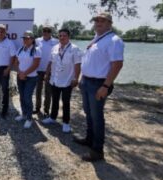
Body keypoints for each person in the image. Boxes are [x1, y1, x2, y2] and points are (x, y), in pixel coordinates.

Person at [74, 11, 125, 162]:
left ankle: (97, 150)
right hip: (87, 82)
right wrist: (82, 78)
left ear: (110, 23)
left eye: (102, 20)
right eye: (96, 20)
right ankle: (89, 139)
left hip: (99, 83)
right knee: (89, 114)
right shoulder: (97, 38)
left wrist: (105, 86)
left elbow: (117, 65)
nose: (98, 23)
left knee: (97, 117)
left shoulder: (114, 40)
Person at [42, 28, 82, 133]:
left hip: (67, 81)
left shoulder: (75, 49)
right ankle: (52, 118)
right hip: (54, 79)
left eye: (64, 35)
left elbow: (78, 65)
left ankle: (66, 123)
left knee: (66, 102)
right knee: (54, 100)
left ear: (68, 37)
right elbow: (50, 62)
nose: (62, 37)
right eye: (60, 36)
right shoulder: (54, 48)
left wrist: (76, 78)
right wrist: (47, 74)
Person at [13, 31, 42, 129]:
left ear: (32, 39)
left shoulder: (36, 50)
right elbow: (16, 62)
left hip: (31, 78)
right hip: (20, 76)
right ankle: (24, 114)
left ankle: (29, 118)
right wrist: (20, 72)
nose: (25, 39)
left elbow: (36, 65)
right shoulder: (20, 49)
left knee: (27, 97)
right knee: (21, 96)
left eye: (28, 38)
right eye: (24, 38)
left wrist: (24, 73)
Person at [0, 24, 17, 118]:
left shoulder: (10, 43)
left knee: (5, 89)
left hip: (5, 69)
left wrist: (8, 69)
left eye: (2, 31)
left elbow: (13, 57)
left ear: (5, 32)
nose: (0, 33)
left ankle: (5, 109)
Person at [35, 26, 60, 117]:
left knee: (48, 91)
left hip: (50, 70)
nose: (46, 32)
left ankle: (46, 110)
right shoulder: (37, 41)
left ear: (51, 32)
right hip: (38, 70)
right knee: (38, 90)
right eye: (44, 30)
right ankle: (37, 108)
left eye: (48, 31)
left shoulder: (56, 41)